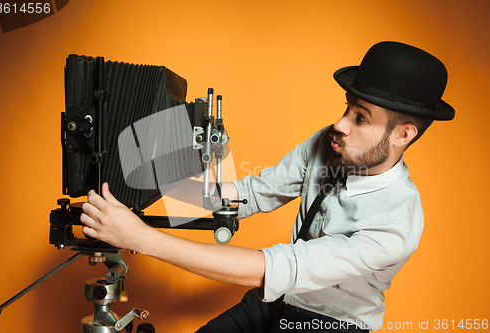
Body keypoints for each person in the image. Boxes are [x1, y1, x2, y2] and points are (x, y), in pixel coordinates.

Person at [81, 41, 455, 332]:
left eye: (360, 118)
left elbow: (275, 268)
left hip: (330, 321)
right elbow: (255, 192)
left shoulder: (397, 223)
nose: (340, 124)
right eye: (347, 107)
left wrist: (140, 237)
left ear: (403, 135)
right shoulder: (329, 142)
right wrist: (146, 196)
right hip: (274, 300)